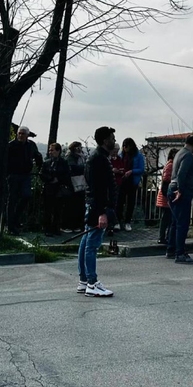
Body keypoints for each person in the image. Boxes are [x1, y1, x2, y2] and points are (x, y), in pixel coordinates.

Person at [77, 126, 117, 297]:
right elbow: (98, 188)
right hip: (97, 206)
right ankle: (92, 283)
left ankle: (84, 280)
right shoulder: (99, 159)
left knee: (86, 241)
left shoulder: (97, 157)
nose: (114, 140)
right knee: (91, 244)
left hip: (94, 205)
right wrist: (102, 212)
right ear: (104, 140)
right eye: (112, 137)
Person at [167, 134, 193, 264]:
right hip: (182, 191)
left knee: (175, 222)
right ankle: (180, 253)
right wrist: (180, 190)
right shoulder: (188, 156)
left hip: (172, 188)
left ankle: (171, 249)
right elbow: (181, 173)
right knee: (182, 224)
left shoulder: (179, 153)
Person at [6, 126, 42, 235]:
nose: (20, 136)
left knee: (26, 196)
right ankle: (10, 225)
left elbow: (38, 156)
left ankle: (16, 219)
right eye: (19, 133)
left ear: (27, 135)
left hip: (26, 175)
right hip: (13, 175)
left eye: (23, 134)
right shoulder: (11, 145)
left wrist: (39, 168)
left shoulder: (31, 145)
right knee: (12, 200)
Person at [40, 142, 72, 236]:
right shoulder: (46, 162)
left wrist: (58, 179)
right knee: (48, 209)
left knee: (58, 210)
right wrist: (50, 179)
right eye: (50, 150)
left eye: (52, 150)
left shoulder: (64, 162)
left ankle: (56, 228)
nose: (50, 152)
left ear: (58, 151)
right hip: (49, 188)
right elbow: (42, 174)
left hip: (59, 189)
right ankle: (47, 228)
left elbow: (67, 174)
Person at [115, 138, 145, 232]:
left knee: (130, 203)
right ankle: (118, 221)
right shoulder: (121, 155)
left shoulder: (138, 156)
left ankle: (127, 222)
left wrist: (132, 171)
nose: (125, 148)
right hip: (122, 181)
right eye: (123, 146)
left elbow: (142, 169)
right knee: (119, 202)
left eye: (126, 146)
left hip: (132, 181)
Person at [155, 149, 176, 245]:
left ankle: (164, 237)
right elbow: (167, 178)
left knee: (167, 217)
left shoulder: (169, 164)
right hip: (166, 194)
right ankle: (163, 237)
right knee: (167, 217)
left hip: (164, 194)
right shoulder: (171, 165)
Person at [65, 142, 87, 233]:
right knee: (71, 205)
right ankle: (69, 225)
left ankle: (77, 225)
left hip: (80, 183)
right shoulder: (70, 157)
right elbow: (74, 168)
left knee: (79, 205)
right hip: (72, 184)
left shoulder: (81, 157)